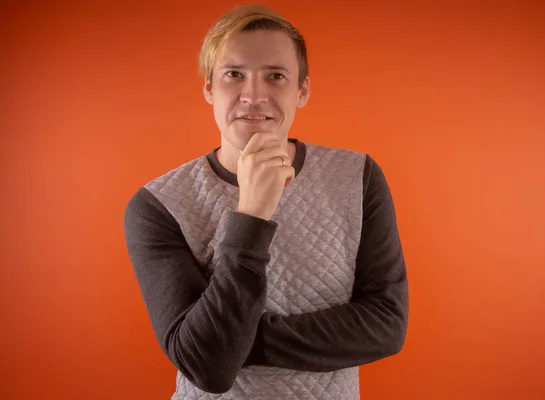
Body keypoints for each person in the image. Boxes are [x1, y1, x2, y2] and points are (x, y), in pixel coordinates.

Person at [124, 4, 408, 400]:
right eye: (233, 75)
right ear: (209, 89)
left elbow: (387, 325)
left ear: (302, 90)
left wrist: (243, 342)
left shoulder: (357, 177)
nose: (253, 96)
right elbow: (209, 369)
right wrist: (252, 213)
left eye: (275, 76)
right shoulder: (157, 205)